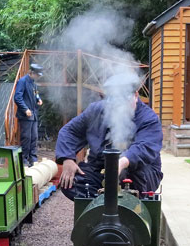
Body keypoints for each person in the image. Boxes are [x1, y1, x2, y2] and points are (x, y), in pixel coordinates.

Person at [55, 72, 163, 201]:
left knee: (130, 181)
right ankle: (98, 208)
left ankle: (123, 207)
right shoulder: (95, 111)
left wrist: (121, 163)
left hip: (138, 172)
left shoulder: (149, 119)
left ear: (135, 95)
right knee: (71, 183)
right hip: (100, 169)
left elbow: (144, 147)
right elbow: (69, 131)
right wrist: (67, 159)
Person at [14, 63, 43, 167]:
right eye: (37, 75)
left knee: (34, 137)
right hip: (25, 115)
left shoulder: (34, 83)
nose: (39, 77)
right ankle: (24, 160)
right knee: (26, 137)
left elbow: (36, 93)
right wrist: (25, 109)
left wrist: (38, 99)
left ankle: (33, 159)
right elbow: (17, 97)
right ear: (32, 73)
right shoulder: (22, 81)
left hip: (34, 114)